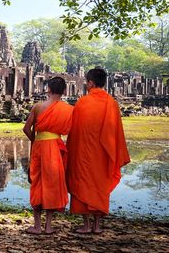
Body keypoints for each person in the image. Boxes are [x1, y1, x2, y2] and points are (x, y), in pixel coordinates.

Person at [66, 68, 130, 233]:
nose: (86, 84)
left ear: (91, 83)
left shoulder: (82, 102)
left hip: (84, 153)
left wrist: (71, 151)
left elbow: (75, 131)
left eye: (87, 82)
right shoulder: (112, 103)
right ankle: (97, 226)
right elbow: (116, 133)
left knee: (83, 184)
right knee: (99, 186)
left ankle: (86, 225)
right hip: (103, 155)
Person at [23, 76, 74, 234]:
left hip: (40, 146)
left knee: (37, 182)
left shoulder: (38, 106)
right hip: (55, 147)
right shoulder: (68, 109)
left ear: (48, 89)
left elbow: (26, 129)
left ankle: (37, 226)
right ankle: (48, 226)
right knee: (52, 183)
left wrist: (37, 139)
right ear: (64, 91)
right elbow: (70, 130)